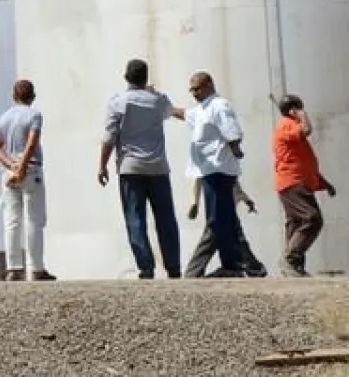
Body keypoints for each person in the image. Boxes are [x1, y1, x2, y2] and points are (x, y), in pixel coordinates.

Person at [98, 58, 181, 279]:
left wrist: (102, 166)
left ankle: (146, 267)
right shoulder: (158, 100)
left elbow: (109, 138)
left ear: (126, 77)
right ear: (146, 78)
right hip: (158, 167)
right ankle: (173, 266)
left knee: (135, 218)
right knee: (166, 218)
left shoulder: (117, 102)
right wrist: (152, 91)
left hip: (130, 167)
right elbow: (169, 111)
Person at [171, 71, 247, 277]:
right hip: (209, 171)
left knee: (216, 221)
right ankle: (233, 265)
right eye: (192, 90)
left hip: (219, 169)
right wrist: (162, 103)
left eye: (198, 88)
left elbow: (232, 132)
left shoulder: (219, 106)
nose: (194, 93)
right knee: (226, 219)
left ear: (209, 85)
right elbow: (183, 113)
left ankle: (194, 271)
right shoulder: (202, 109)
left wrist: (235, 147)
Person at [0, 78, 56, 281]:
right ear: (33, 96)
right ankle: (36, 268)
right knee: (34, 220)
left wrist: (11, 165)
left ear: (14, 96)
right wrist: (22, 166)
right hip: (31, 170)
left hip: (9, 173)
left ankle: (13, 268)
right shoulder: (34, 115)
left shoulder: (4, 117)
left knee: (12, 221)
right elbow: (32, 142)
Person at [273, 94, 337, 277]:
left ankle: (294, 267)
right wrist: (302, 115)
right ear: (292, 109)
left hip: (295, 182)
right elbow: (307, 130)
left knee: (296, 223)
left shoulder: (290, 127)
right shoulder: (287, 124)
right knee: (312, 219)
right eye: (297, 108)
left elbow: (304, 161)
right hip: (292, 182)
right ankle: (290, 259)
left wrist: (324, 183)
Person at [183, 176, 268, 278]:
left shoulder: (228, 169)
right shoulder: (211, 168)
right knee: (216, 235)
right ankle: (193, 273)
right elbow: (197, 177)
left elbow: (237, 187)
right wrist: (194, 203)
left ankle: (248, 268)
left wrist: (247, 200)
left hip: (228, 212)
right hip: (221, 212)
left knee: (234, 238)